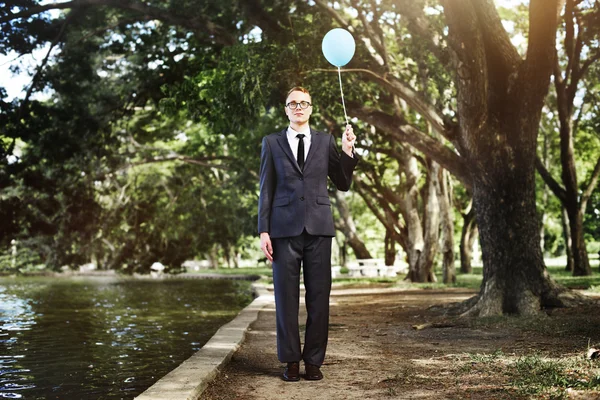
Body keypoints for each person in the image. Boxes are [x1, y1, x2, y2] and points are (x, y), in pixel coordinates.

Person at [257, 86, 358, 381]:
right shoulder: (271, 143)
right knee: (285, 299)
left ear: (311, 108)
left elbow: (342, 182)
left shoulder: (326, 141)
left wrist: (348, 150)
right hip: (282, 230)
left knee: (319, 298)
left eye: (304, 103)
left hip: (318, 229)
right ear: (286, 109)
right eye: (292, 103)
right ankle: (290, 361)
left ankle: (314, 362)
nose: (298, 107)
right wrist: (263, 229)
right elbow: (266, 189)